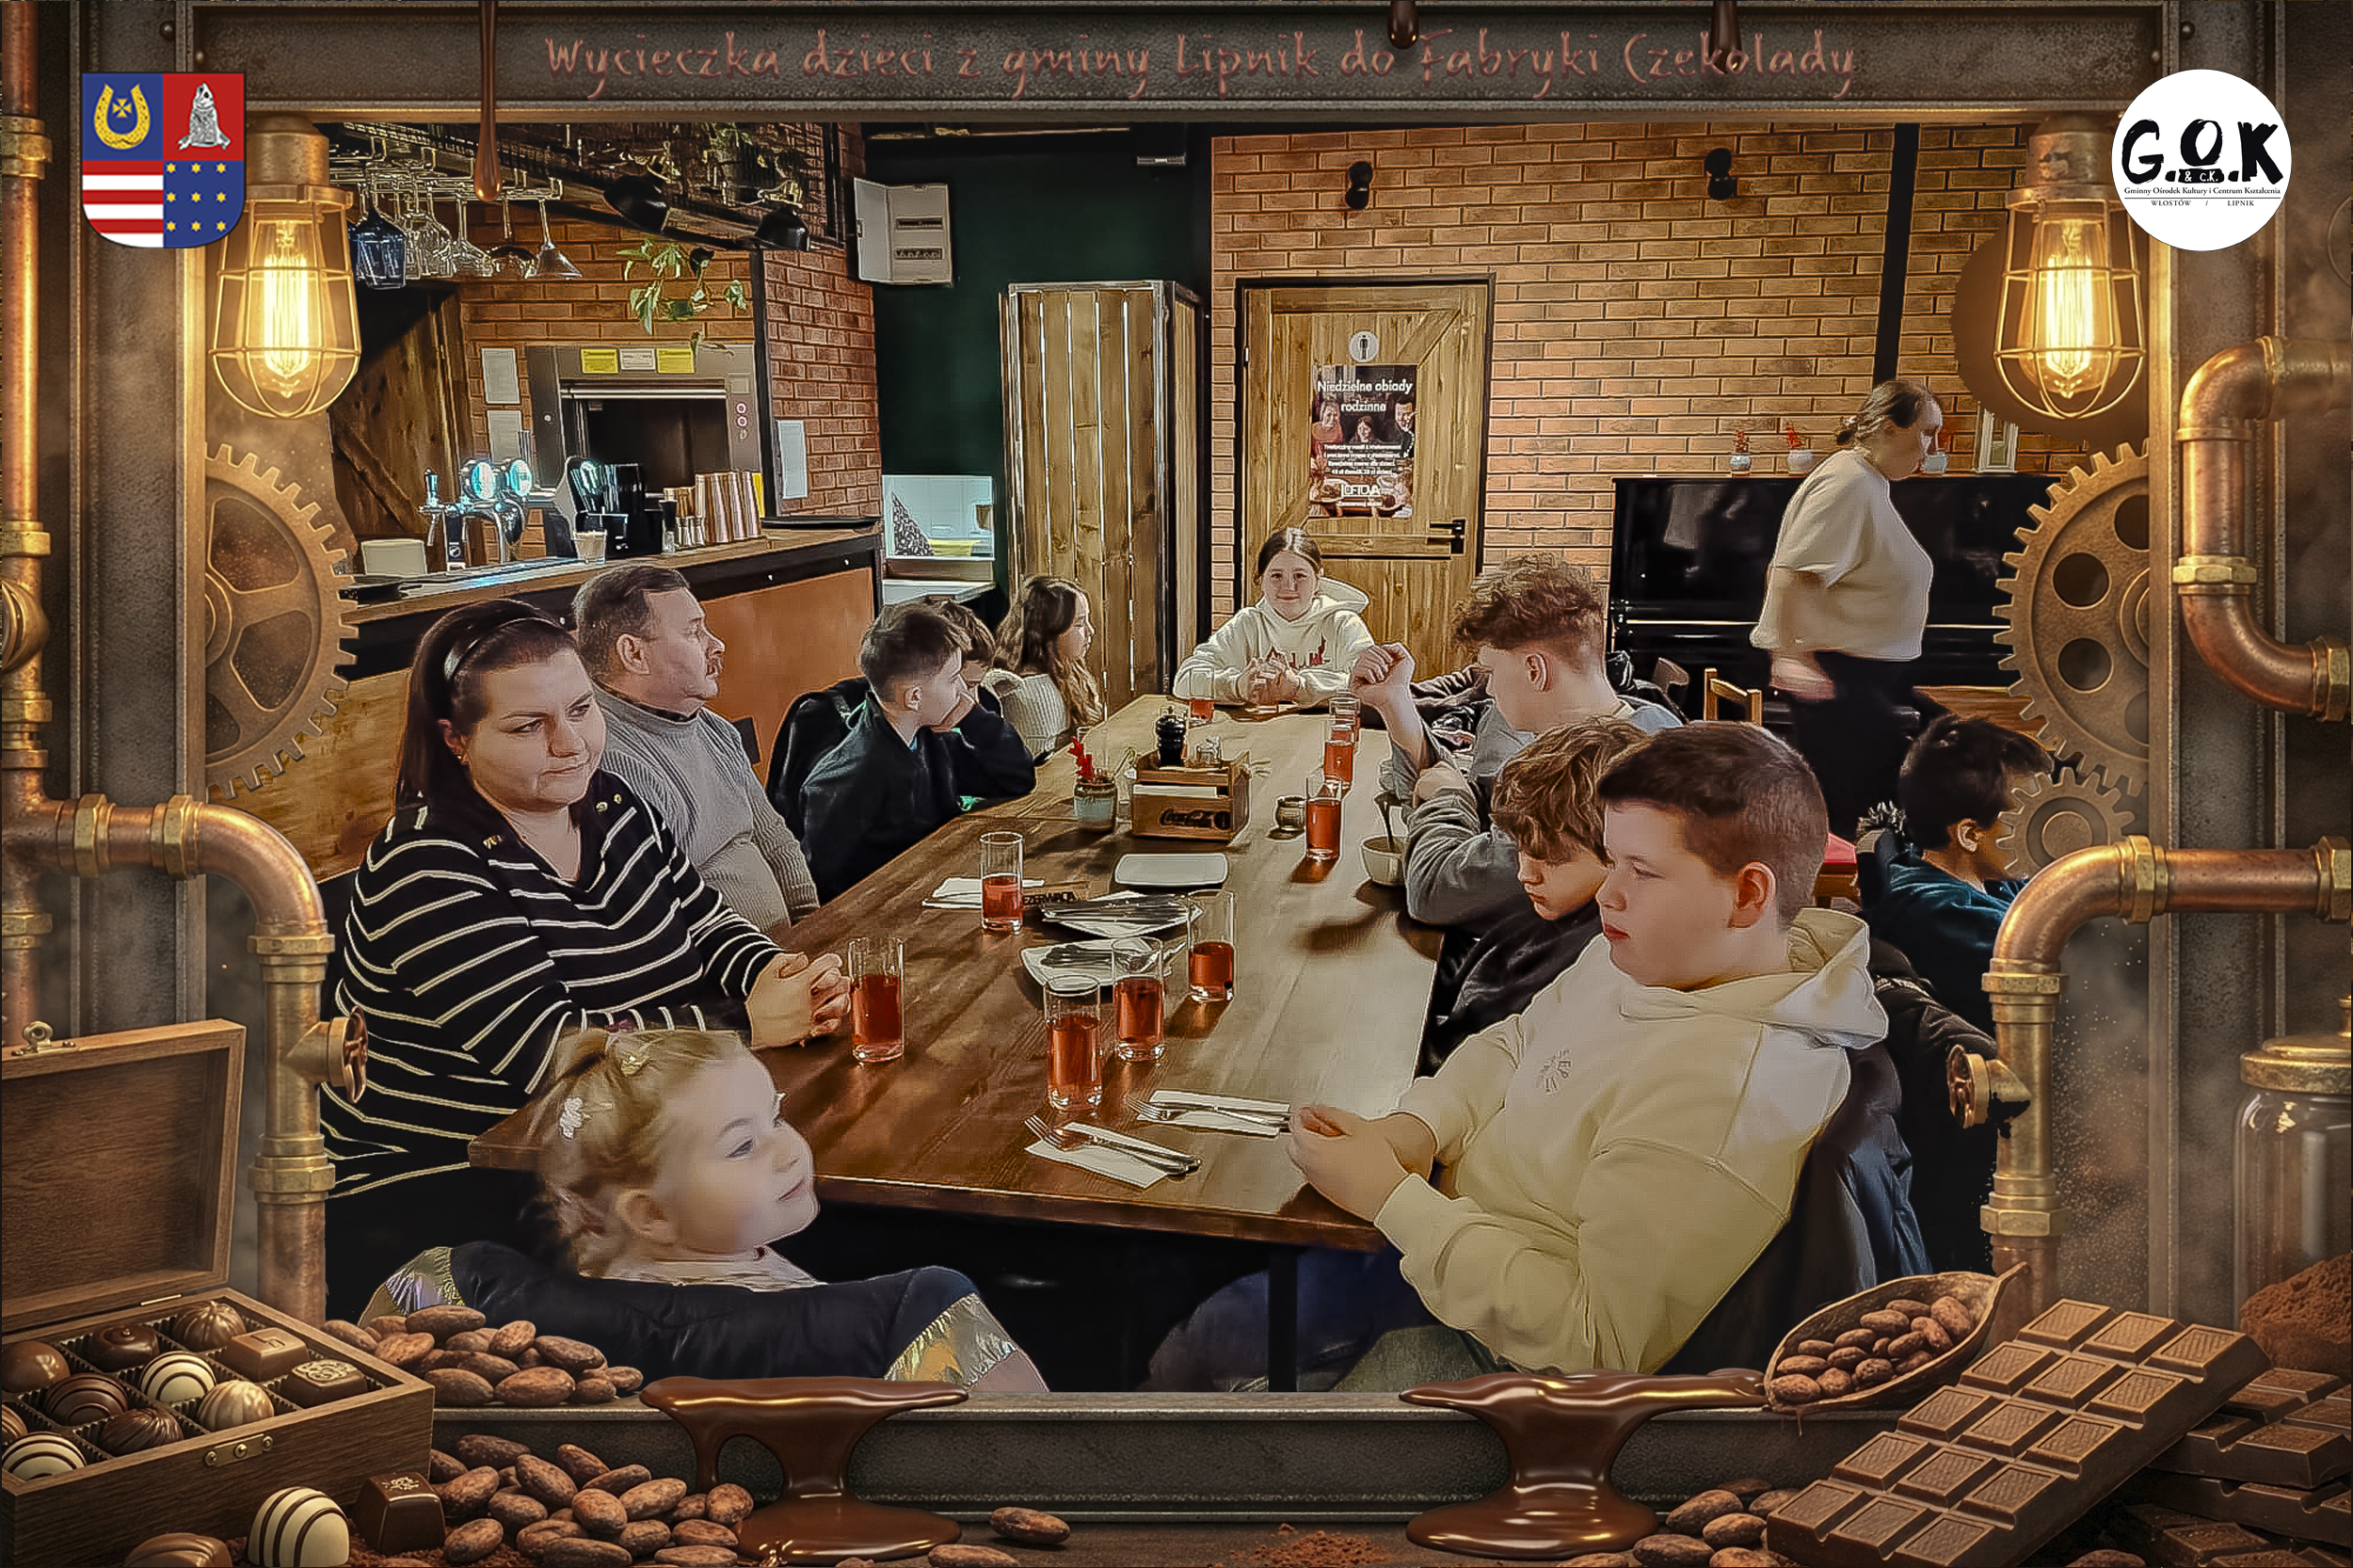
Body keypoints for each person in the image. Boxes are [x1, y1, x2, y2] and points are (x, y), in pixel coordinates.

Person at [1150, 724, 1887, 1387]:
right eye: (1612, 860)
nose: (1609, 895)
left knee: (1214, 1380)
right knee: (1198, 1336)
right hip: (1443, 1238)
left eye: (1642, 870)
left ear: (1748, 896)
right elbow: (1517, 1042)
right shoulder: (1660, 957)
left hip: (1506, 1363)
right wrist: (1416, 1130)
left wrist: (1391, 1198)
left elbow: (1596, 1345)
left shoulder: (1728, 1095)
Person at [320, 599, 849, 1318]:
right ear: (457, 740)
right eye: (528, 726)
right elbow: (552, 1053)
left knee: (825, 1202)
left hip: (626, 1149)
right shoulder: (425, 863)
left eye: (580, 710)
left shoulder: (612, 805)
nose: (570, 744)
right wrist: (747, 1024)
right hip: (452, 1192)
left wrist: (771, 972)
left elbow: (704, 920)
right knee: (827, 1238)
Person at [523, 1025, 1050, 1390]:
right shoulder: (750, 1329)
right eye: (742, 1146)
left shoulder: (665, 1268)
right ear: (652, 1215)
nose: (789, 1150)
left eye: (776, 1117)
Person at [1353, 556, 1678, 934]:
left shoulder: (1599, 780)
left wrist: (1447, 798)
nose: (1490, 689)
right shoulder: (1639, 720)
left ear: (1534, 670)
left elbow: (1436, 892)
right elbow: (1455, 796)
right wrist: (1394, 703)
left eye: (1491, 672)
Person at [573, 565, 818, 941]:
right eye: (693, 632)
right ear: (634, 654)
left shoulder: (712, 726)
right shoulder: (614, 764)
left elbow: (773, 837)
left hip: (788, 948)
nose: (716, 645)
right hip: (729, 967)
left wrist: (812, 923)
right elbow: (669, 914)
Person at [1752, 377, 1945, 838]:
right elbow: (1791, 571)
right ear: (1887, 427)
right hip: (1837, 674)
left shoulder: (1865, 480)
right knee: (1870, 814)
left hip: (1867, 674)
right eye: (1927, 432)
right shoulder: (1849, 483)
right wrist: (1791, 657)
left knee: (1949, 749)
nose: (1934, 448)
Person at [1421, 716, 1650, 1069]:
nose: (1525, 873)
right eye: (1521, 849)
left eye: (1551, 858)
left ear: (1618, 853)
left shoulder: (1595, 954)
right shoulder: (1559, 906)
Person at [800, 600, 1036, 901]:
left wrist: (973, 718)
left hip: (936, 887)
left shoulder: (931, 738)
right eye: (953, 680)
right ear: (914, 697)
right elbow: (822, 883)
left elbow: (1017, 779)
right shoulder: (857, 772)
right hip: (889, 911)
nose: (963, 692)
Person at [1864, 714, 2048, 1038]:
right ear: (1970, 835)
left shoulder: (1993, 879)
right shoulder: (1945, 914)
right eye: (2029, 819)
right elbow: (2073, 980)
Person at [1173, 528, 1374, 710]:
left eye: (1300, 576)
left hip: (1325, 733)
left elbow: (1371, 688)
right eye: (1276, 576)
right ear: (1261, 580)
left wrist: (1299, 687)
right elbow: (1184, 680)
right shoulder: (1247, 624)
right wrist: (1236, 686)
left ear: (1318, 579)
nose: (1289, 587)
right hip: (1257, 733)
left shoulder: (1343, 624)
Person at [984, 575, 1106, 760]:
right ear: (1049, 632)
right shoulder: (1026, 693)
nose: (1091, 631)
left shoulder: (1066, 672)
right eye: (1079, 624)